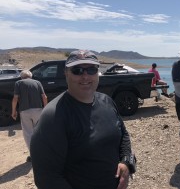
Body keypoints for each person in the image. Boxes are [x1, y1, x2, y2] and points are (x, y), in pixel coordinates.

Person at [30, 50, 135, 189]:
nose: (85, 76)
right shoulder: (53, 116)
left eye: (91, 69)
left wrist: (126, 162)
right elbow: (47, 178)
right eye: (77, 70)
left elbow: (123, 134)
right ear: (66, 73)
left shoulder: (107, 101)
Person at [11, 70, 48, 162]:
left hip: (24, 111)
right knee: (40, 132)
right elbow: (44, 97)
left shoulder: (18, 83)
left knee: (28, 133)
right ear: (30, 76)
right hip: (38, 110)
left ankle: (33, 155)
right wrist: (46, 109)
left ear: (21, 76)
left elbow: (15, 98)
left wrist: (13, 111)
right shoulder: (37, 82)